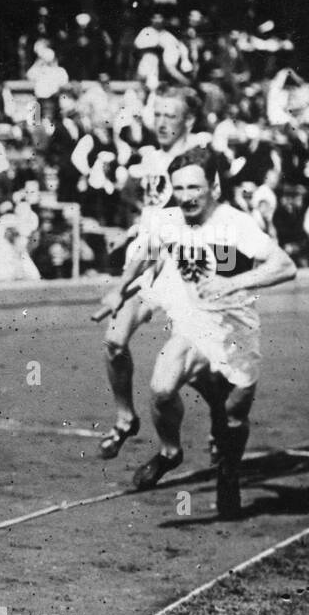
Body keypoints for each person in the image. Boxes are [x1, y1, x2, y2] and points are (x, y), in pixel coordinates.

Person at [120, 148, 296, 518]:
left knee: (233, 416)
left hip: (236, 333)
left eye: (195, 187)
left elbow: (284, 264)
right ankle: (170, 451)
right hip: (195, 324)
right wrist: (118, 287)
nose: (186, 196)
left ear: (215, 186)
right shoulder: (169, 219)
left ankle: (228, 471)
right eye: (179, 187)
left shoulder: (237, 223)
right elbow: (148, 250)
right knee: (161, 387)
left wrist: (236, 284)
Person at [91, 86, 209, 459]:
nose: (161, 122)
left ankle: (219, 414)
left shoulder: (200, 158)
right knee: (114, 341)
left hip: (182, 267)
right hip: (147, 263)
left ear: (188, 120)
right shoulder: (151, 159)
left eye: (170, 115)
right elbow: (147, 205)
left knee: (183, 367)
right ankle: (126, 418)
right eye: (157, 114)